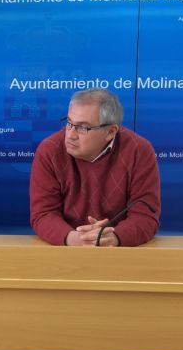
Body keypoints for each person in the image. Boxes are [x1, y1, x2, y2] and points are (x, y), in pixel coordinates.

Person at [30, 88, 161, 246]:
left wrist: (114, 238)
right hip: (66, 250)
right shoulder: (50, 150)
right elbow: (43, 214)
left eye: (82, 127)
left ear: (110, 132)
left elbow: (145, 216)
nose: (70, 134)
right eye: (69, 123)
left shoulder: (139, 151)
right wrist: (76, 239)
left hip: (119, 252)